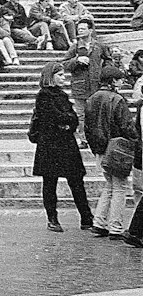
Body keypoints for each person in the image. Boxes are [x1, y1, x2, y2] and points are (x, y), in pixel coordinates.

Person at [29, 60, 94, 232]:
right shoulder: (43, 95)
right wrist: (64, 121)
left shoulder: (62, 95)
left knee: (77, 181)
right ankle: (52, 218)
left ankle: (86, 217)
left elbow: (73, 119)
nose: (63, 78)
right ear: (51, 76)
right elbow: (52, 118)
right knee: (50, 183)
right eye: (59, 75)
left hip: (66, 144)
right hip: (50, 145)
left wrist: (66, 122)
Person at [84, 68, 138, 239]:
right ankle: (115, 226)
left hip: (100, 149)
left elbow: (87, 127)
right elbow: (127, 126)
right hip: (117, 148)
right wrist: (136, 140)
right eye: (120, 79)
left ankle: (99, 222)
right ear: (113, 81)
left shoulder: (92, 99)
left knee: (109, 186)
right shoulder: (117, 99)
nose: (122, 82)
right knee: (120, 187)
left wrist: (95, 148)